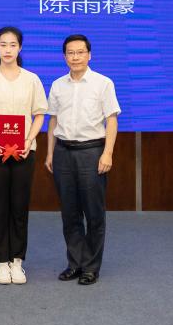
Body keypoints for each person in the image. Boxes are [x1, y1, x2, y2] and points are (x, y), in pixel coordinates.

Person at [0, 26, 48, 285]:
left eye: (13, 45)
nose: (7, 49)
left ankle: (17, 261)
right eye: (3, 45)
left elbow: (39, 114)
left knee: (19, 206)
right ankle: (1, 262)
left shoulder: (32, 79)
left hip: (25, 150)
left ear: (20, 48)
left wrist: (28, 139)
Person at [44, 34, 121, 286]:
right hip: (63, 153)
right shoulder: (58, 85)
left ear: (89, 55)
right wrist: (50, 153)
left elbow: (111, 119)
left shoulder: (103, 83)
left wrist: (108, 153)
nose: (75, 57)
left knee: (94, 213)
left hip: (92, 151)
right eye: (70, 53)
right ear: (64, 56)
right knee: (70, 213)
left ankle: (91, 267)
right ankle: (75, 263)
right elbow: (53, 121)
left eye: (80, 52)